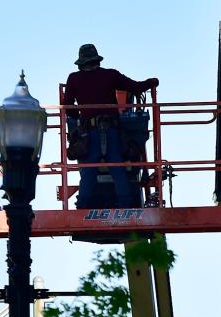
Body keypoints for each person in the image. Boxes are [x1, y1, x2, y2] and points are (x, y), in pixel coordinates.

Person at [64, 44, 159, 209]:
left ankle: (81, 209)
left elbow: (67, 107)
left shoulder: (74, 79)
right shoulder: (110, 75)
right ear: (97, 60)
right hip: (112, 130)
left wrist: (80, 119)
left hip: (90, 132)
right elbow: (135, 87)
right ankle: (126, 207)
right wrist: (152, 82)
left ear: (81, 62)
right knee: (117, 169)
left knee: (88, 171)